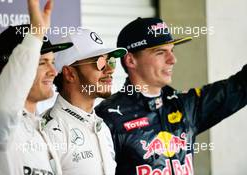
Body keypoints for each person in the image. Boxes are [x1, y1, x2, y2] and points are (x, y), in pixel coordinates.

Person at [95, 17, 247, 175]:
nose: (173, 60)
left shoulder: (185, 104)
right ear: (131, 60)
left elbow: (240, 87)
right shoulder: (107, 117)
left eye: (172, 50)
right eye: (160, 52)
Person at [0, 0, 73, 174]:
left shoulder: (41, 128)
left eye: (53, 62)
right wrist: (35, 36)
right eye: (42, 62)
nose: (54, 71)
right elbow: (5, 108)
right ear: (10, 68)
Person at [42, 28, 127, 175]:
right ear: (69, 74)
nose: (110, 70)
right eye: (99, 62)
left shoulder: (102, 127)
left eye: (110, 61)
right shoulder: (50, 131)